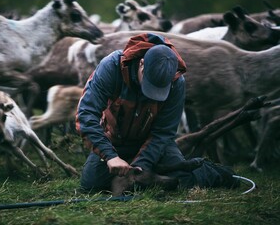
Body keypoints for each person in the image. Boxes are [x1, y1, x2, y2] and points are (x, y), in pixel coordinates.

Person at [76, 33, 239, 192]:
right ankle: (155, 174)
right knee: (90, 186)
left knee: (184, 182)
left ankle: (211, 173)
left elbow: (164, 131)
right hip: (115, 141)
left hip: (154, 143)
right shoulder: (112, 67)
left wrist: (142, 165)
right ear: (141, 64)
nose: (152, 94)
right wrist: (109, 155)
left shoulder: (177, 82)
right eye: (150, 84)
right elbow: (86, 114)